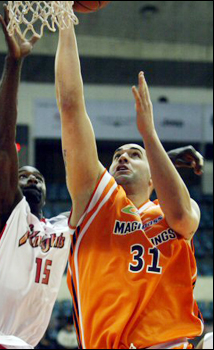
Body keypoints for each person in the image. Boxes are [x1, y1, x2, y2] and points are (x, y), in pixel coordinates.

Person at [55, 22, 204, 349]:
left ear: (153, 175)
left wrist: (149, 135)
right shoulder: (95, 203)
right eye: (117, 155)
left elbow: (181, 216)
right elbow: (70, 106)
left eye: (133, 155)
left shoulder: (176, 210)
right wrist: (66, 23)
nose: (122, 157)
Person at [0, 6, 71, 349]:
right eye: (22, 175)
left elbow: (117, 190)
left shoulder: (63, 227)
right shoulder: (6, 213)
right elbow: (2, 138)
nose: (30, 180)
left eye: (37, 177)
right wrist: (14, 64)